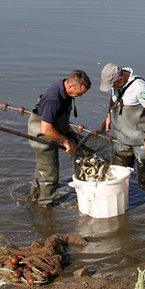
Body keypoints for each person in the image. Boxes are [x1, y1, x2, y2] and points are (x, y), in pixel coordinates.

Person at [99, 63, 145, 211]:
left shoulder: (139, 87)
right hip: (122, 137)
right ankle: (121, 207)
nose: (112, 88)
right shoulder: (115, 84)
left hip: (140, 139)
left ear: (120, 79)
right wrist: (108, 116)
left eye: (113, 84)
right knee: (117, 175)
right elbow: (113, 100)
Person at [27, 70, 91, 207]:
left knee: (43, 168)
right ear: (71, 87)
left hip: (54, 127)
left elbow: (60, 116)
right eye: (80, 93)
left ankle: (34, 196)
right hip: (42, 135)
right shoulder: (53, 100)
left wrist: (69, 132)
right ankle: (44, 206)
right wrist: (65, 140)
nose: (81, 96)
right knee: (50, 174)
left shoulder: (65, 89)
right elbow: (46, 129)